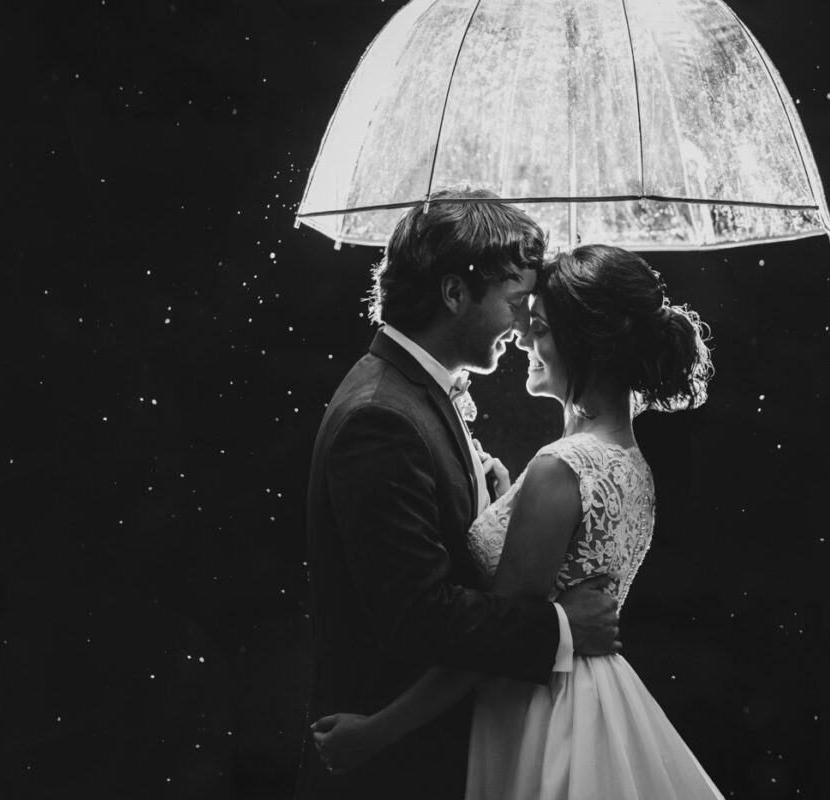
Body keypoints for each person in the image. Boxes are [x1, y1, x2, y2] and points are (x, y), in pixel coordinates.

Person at [311, 244, 723, 799]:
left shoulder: (561, 469)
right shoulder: (630, 463)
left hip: (538, 709)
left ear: (588, 346)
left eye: (543, 328)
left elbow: (490, 644)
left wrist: (376, 732)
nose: (524, 337)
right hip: (596, 701)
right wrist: (502, 505)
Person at [294, 191, 623, 800]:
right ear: (454, 294)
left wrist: (489, 506)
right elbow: (418, 616)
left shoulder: (414, 392)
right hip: (393, 773)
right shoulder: (381, 418)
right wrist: (560, 626)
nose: (524, 324)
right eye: (516, 302)